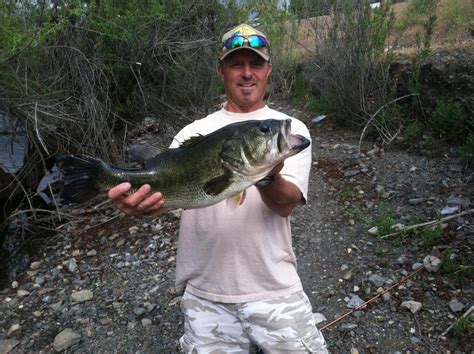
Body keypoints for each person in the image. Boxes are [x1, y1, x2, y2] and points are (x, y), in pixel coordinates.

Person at [108, 23, 328, 353]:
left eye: (255, 64)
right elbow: (166, 197)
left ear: (268, 70)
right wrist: (138, 208)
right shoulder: (191, 133)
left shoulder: (289, 130)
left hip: (274, 287)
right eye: (236, 64)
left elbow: (286, 205)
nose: (247, 74)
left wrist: (266, 173)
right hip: (205, 294)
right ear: (220, 70)